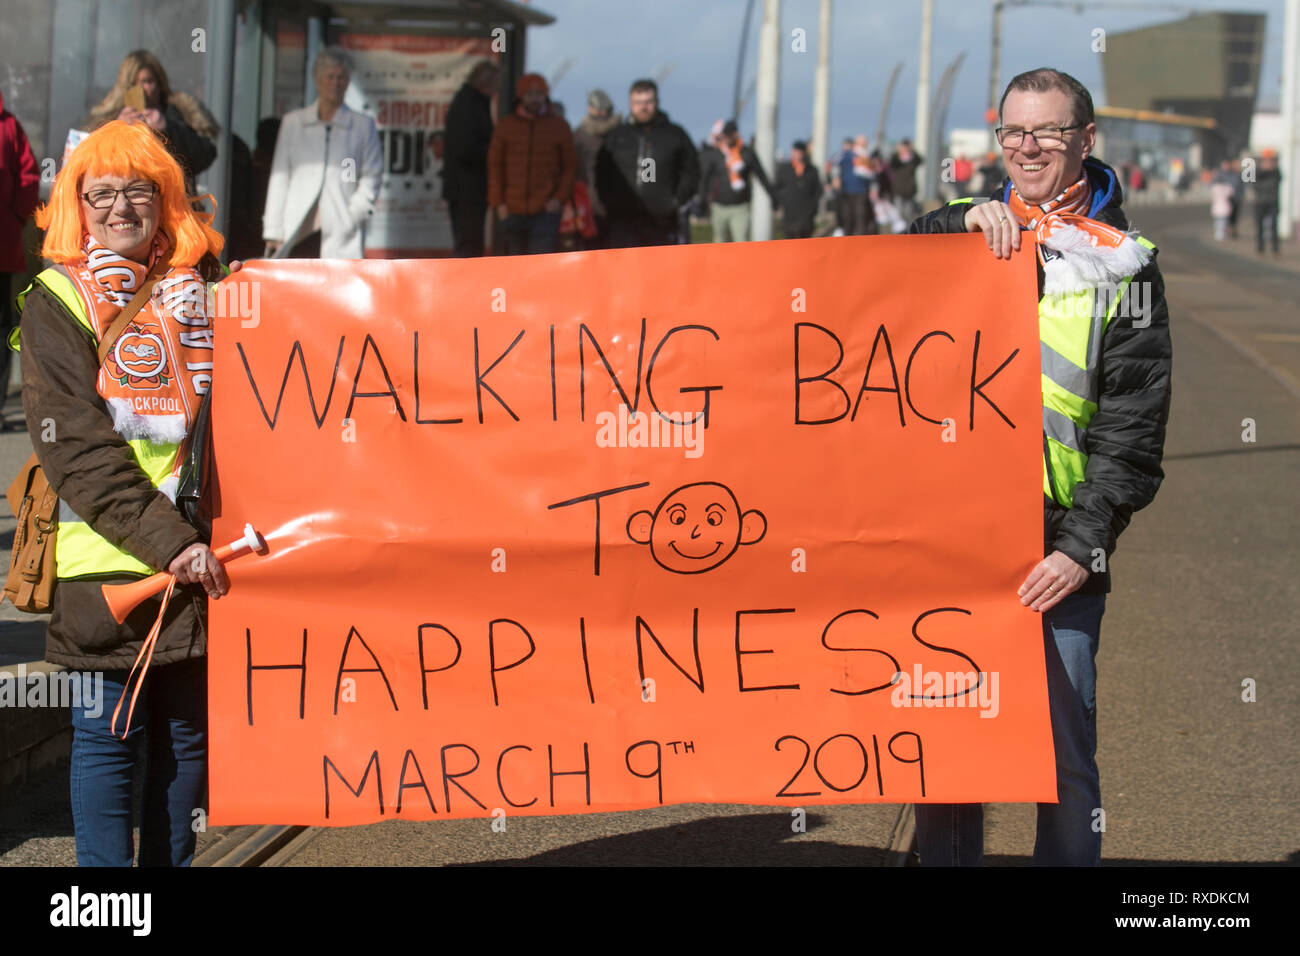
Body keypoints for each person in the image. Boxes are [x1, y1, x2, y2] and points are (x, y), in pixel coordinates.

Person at [906, 67, 1172, 866]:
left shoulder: (1125, 266)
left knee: (1061, 758)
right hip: (956, 537)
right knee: (949, 757)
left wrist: (1080, 547)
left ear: (1085, 141)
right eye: (1013, 132)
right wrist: (951, 221)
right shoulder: (964, 229)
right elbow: (870, 276)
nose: (1027, 149)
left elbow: (1132, 433)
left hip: (1058, 545)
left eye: (1047, 133)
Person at [16, 119, 231, 866]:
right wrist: (173, 544)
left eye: (137, 191)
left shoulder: (208, 292)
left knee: (186, 743)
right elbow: (72, 444)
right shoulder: (55, 300)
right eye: (100, 193)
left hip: (203, 560)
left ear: (164, 198)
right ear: (77, 203)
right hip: (107, 563)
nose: (119, 207)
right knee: (107, 739)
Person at [262, 47, 383, 259]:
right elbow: (280, 178)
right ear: (317, 80)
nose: (336, 83)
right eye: (330, 77)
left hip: (341, 230)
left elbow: (372, 176)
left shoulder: (362, 125)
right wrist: (274, 229)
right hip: (296, 229)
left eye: (342, 77)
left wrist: (352, 216)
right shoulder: (294, 123)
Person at [85, 50, 218, 193]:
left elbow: (205, 155)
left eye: (147, 81)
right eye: (134, 84)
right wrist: (116, 129)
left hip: (172, 202)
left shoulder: (178, 113)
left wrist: (167, 129)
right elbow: (88, 162)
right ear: (124, 88)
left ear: (159, 83)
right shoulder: (110, 117)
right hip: (128, 198)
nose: (141, 90)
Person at [596, 79, 700, 248]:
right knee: (624, 272)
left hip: (663, 223)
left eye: (648, 102)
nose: (643, 107)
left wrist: (677, 200)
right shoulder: (617, 136)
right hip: (623, 222)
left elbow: (691, 170)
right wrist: (610, 202)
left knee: (661, 272)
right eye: (638, 103)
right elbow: (601, 172)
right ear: (630, 103)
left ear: (657, 102)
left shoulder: (675, 135)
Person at [486, 73, 576, 256]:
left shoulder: (559, 126)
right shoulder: (506, 126)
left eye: (539, 94)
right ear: (521, 96)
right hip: (511, 210)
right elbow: (495, 166)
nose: (535, 99)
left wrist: (559, 199)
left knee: (541, 267)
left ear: (545, 96)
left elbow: (571, 167)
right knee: (513, 266)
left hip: (546, 211)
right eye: (530, 94)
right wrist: (499, 203)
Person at [0, 86, 39, 423]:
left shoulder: (9, 127)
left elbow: (28, 178)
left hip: (1, 249)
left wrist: (13, 218)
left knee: (0, 329)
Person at [443, 60, 499, 257]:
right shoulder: (469, 104)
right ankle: (465, 286)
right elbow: (465, 148)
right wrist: (494, 152)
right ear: (485, 83)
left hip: (468, 188)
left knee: (470, 245)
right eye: (495, 84)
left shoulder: (470, 101)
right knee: (468, 247)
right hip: (467, 189)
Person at [696, 120, 774, 242]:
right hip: (719, 207)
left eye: (729, 135)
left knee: (741, 242)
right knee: (719, 244)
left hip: (740, 207)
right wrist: (702, 200)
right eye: (724, 135)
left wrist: (774, 197)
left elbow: (761, 176)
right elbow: (704, 178)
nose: (726, 138)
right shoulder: (716, 154)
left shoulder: (747, 154)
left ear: (735, 134)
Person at [572, 88, 620, 249]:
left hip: (618, 206)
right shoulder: (579, 136)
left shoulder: (622, 134)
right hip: (589, 203)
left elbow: (647, 163)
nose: (600, 113)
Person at [774, 140, 821, 239]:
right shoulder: (784, 169)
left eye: (800, 152)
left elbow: (818, 191)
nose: (797, 154)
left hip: (806, 217)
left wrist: (813, 209)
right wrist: (782, 203)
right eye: (795, 151)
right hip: (789, 216)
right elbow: (777, 189)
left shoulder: (812, 170)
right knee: (790, 245)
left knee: (805, 247)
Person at [836, 135, 873, 235]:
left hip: (861, 190)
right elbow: (836, 165)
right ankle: (847, 238)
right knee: (847, 216)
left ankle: (859, 238)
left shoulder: (867, 156)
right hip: (847, 190)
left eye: (864, 143)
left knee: (860, 215)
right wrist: (836, 179)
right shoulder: (847, 154)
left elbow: (871, 173)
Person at [1252, 150, 1282, 256]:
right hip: (1260, 202)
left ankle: (1275, 249)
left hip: (1273, 202)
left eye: (1271, 160)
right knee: (1260, 227)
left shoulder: (1276, 171)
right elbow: (1253, 184)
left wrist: (1271, 170)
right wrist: (1263, 170)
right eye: (1267, 160)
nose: (1269, 163)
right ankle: (1260, 249)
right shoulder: (1257, 171)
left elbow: (1277, 181)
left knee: (1274, 226)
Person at [889, 138, 923, 223]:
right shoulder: (896, 160)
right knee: (898, 213)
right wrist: (897, 151)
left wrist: (912, 150)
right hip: (898, 190)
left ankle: (907, 232)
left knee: (908, 213)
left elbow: (920, 160)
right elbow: (891, 162)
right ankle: (898, 233)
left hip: (909, 190)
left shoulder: (912, 160)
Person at [1210, 161, 1235, 241]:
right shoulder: (1226, 187)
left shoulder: (1215, 188)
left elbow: (1212, 196)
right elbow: (1231, 193)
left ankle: (1218, 233)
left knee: (1218, 221)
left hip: (1217, 207)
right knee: (1224, 221)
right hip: (1225, 207)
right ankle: (1221, 233)